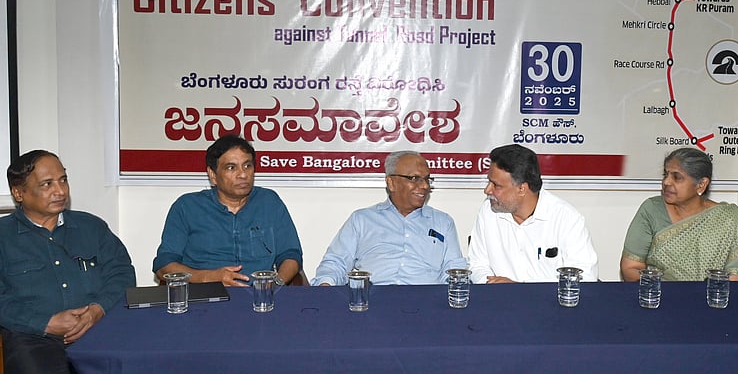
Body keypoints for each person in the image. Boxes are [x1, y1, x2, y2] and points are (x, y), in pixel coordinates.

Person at [0, 150, 136, 374]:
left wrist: (98, 309)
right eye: (47, 184)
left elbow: (122, 273)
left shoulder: (92, 227)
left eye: (63, 180)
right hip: (32, 337)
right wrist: (44, 322)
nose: (60, 191)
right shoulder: (4, 236)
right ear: (18, 193)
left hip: (98, 328)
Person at [153, 134, 302, 287]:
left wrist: (275, 284)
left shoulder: (269, 202)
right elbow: (164, 265)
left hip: (258, 296)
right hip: (203, 296)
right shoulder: (187, 207)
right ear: (213, 175)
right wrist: (209, 277)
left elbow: (291, 255)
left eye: (247, 166)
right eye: (231, 168)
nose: (243, 174)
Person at [311, 151, 466, 286]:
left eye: (427, 179)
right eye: (414, 178)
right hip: (373, 300)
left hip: (425, 301)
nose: (425, 186)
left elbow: (454, 268)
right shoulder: (362, 219)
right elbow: (336, 262)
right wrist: (326, 285)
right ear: (391, 183)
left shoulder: (443, 222)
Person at [620, 147, 738, 282]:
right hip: (660, 298)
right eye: (666, 174)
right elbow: (631, 267)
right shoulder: (651, 209)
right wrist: (657, 290)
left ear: (701, 184)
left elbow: (735, 279)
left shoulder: (729, 219)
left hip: (711, 302)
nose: (666, 182)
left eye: (677, 177)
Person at [468, 144, 599, 284]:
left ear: (522, 189)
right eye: (489, 182)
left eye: (496, 185)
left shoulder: (567, 218)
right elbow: (477, 265)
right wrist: (491, 284)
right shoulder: (488, 211)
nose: (487, 190)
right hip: (499, 300)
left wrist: (521, 290)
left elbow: (585, 277)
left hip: (550, 304)